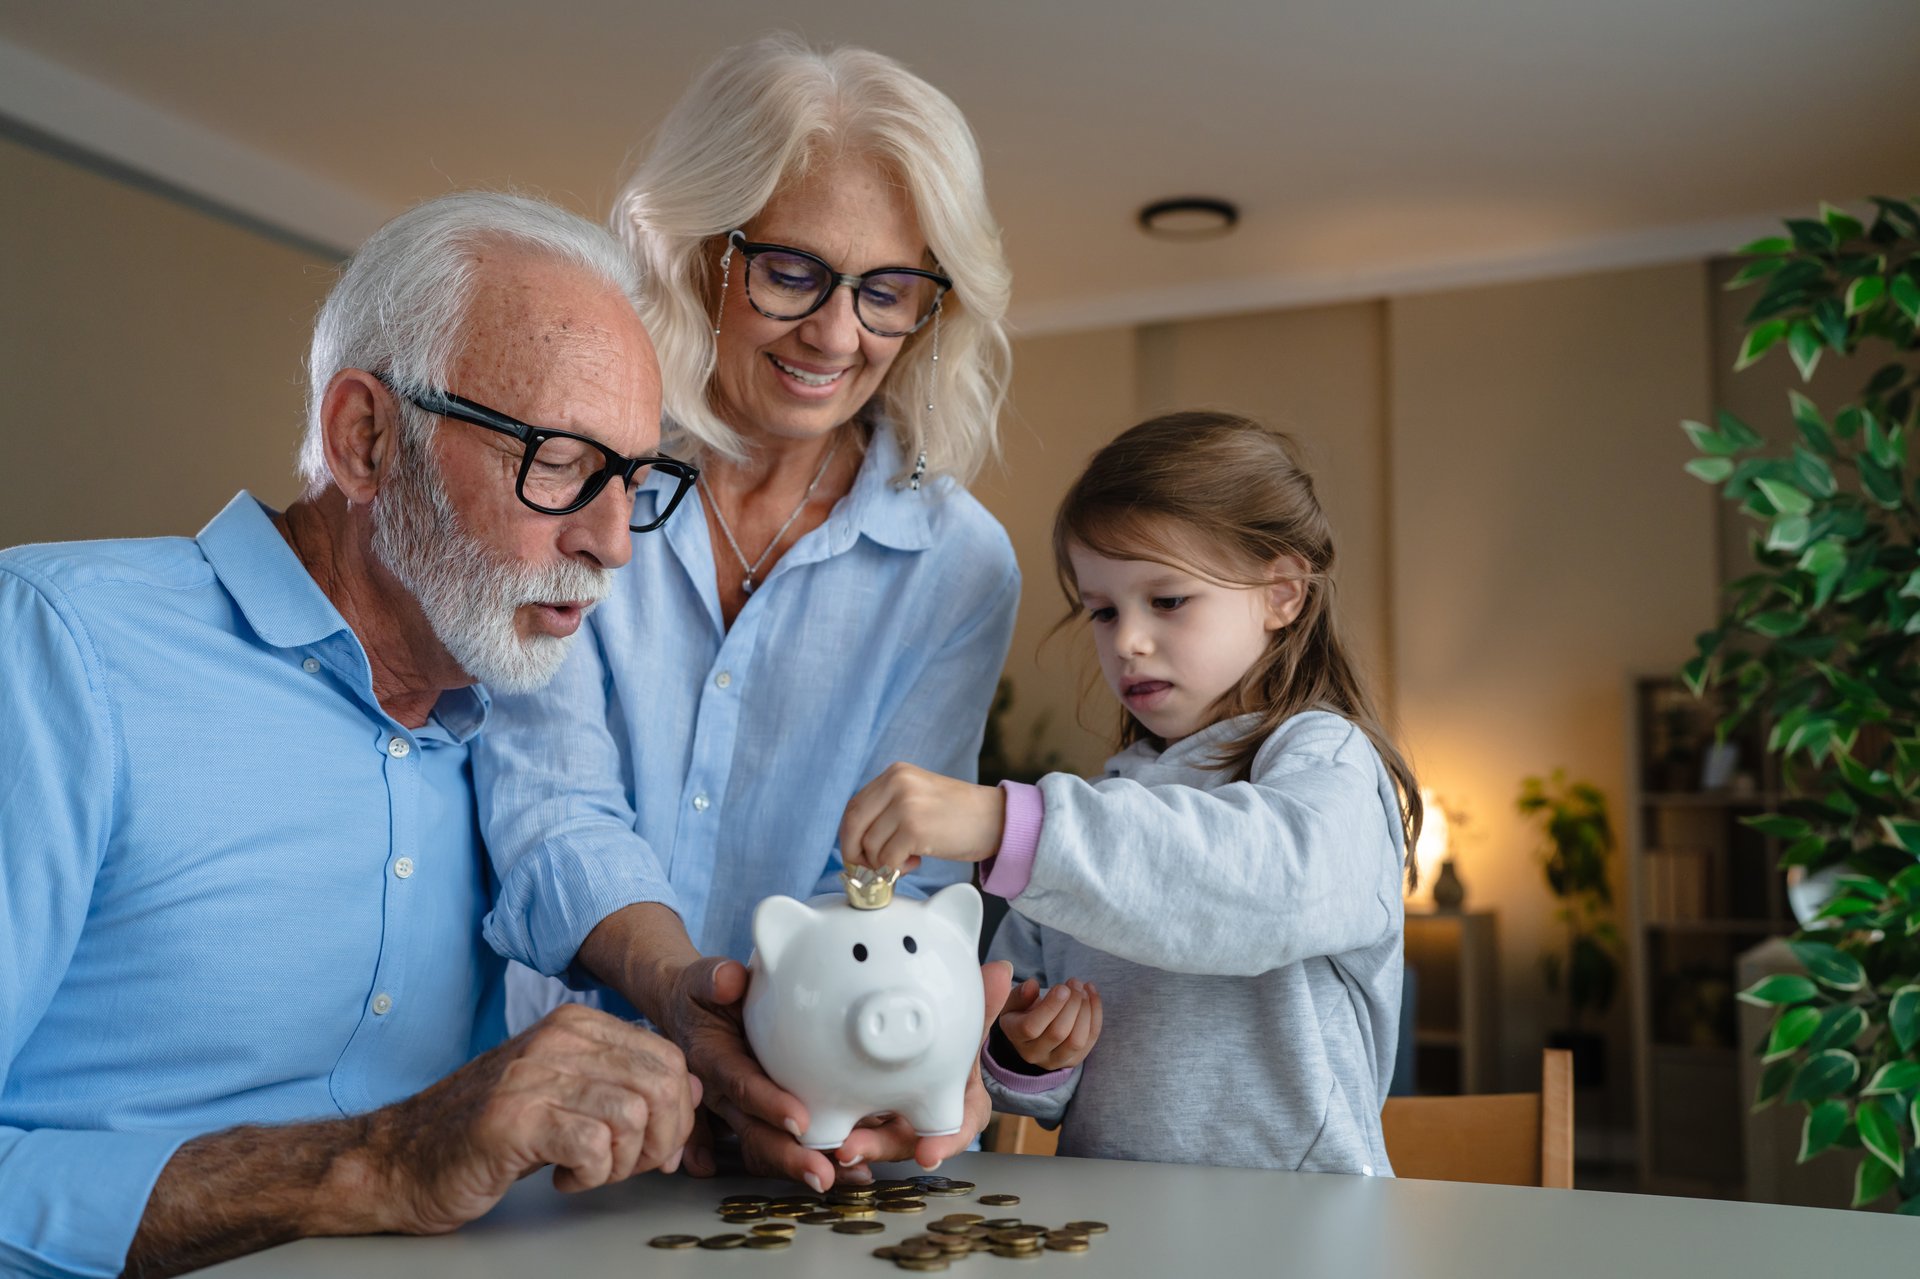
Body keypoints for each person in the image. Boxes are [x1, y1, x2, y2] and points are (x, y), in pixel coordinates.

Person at [0, 192, 703, 1278]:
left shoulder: (519, 738)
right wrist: (368, 1164)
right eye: (559, 460)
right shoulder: (55, 645)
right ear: (365, 438)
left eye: (635, 481)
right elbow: (402, 1161)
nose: (612, 541)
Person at [473, 34, 1018, 1192]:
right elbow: (548, 798)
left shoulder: (959, 562)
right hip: (540, 1108)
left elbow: (891, 872)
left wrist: (883, 1043)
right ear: (697, 254)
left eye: (889, 291)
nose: (837, 334)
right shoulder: (573, 475)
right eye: (790, 272)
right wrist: (682, 992)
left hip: (795, 1131)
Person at [839, 411, 1422, 1174]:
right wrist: (1028, 1049)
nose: (1128, 641)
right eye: (1104, 610)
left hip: (1301, 1226)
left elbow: (1265, 885)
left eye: (1168, 600)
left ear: (1282, 593)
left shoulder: (1326, 763)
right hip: (1114, 1222)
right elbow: (1026, 1084)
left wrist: (1002, 820)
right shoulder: (1093, 810)